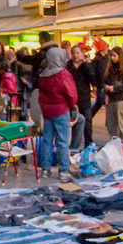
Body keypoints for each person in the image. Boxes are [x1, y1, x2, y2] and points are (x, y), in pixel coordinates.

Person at [37, 47, 78, 181]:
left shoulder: (43, 75)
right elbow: (70, 92)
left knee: (47, 141)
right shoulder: (63, 74)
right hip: (61, 110)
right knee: (62, 141)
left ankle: (45, 169)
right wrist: (72, 105)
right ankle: (64, 170)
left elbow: (40, 95)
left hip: (47, 112)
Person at [67, 45, 96, 148]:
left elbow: (93, 78)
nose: (75, 55)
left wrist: (87, 65)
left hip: (84, 97)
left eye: (77, 53)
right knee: (76, 121)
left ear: (82, 53)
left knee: (87, 123)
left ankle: (88, 144)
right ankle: (75, 144)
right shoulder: (68, 66)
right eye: (73, 53)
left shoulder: (85, 66)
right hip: (72, 98)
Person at [103, 46, 123, 141]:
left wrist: (115, 88)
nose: (112, 58)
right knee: (111, 125)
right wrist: (106, 89)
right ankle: (114, 145)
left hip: (121, 99)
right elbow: (104, 81)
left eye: (114, 56)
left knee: (121, 125)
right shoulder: (109, 69)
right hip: (111, 99)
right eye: (111, 55)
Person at [90, 38, 110, 122]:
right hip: (101, 84)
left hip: (103, 83)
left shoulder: (102, 59)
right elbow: (93, 73)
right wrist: (94, 84)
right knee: (100, 102)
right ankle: (89, 116)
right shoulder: (98, 60)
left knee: (103, 102)